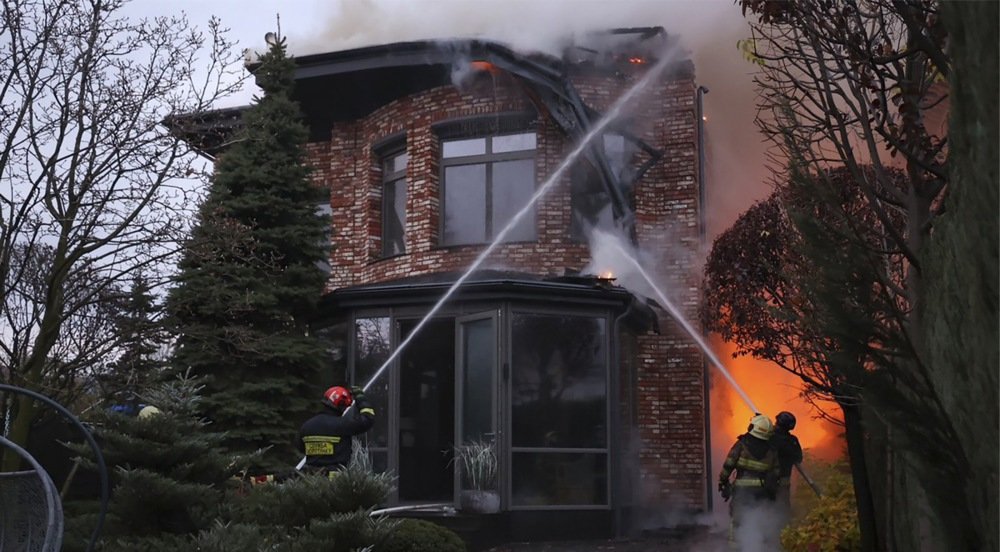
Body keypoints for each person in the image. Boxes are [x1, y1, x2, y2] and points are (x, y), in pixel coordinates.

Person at [718, 413, 781, 550]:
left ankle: (736, 549)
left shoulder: (742, 444)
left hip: (742, 491)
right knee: (759, 519)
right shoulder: (772, 450)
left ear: (755, 428)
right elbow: (776, 473)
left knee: (738, 521)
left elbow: (729, 464)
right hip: (762, 491)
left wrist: (723, 481)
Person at [297, 385, 376, 477]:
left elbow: (300, 447)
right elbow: (367, 419)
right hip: (335, 483)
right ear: (342, 405)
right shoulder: (342, 425)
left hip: (311, 481)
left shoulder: (307, 426)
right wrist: (361, 398)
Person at [771, 410, 804, 525]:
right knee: (782, 507)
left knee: (766, 505)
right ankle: (784, 532)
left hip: (767, 480)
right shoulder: (792, 441)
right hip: (784, 480)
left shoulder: (768, 437)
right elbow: (799, 458)